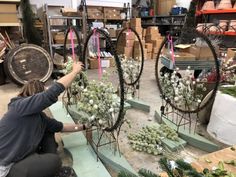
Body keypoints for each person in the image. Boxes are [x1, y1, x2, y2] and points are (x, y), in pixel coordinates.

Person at [0, 61, 85, 177]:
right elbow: (51, 94)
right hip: (5, 167)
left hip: (19, 157)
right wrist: (74, 71)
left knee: (49, 131)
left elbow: (61, 126)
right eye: (43, 91)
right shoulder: (20, 106)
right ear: (35, 95)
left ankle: (44, 165)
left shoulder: (39, 117)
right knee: (55, 162)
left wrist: (84, 126)